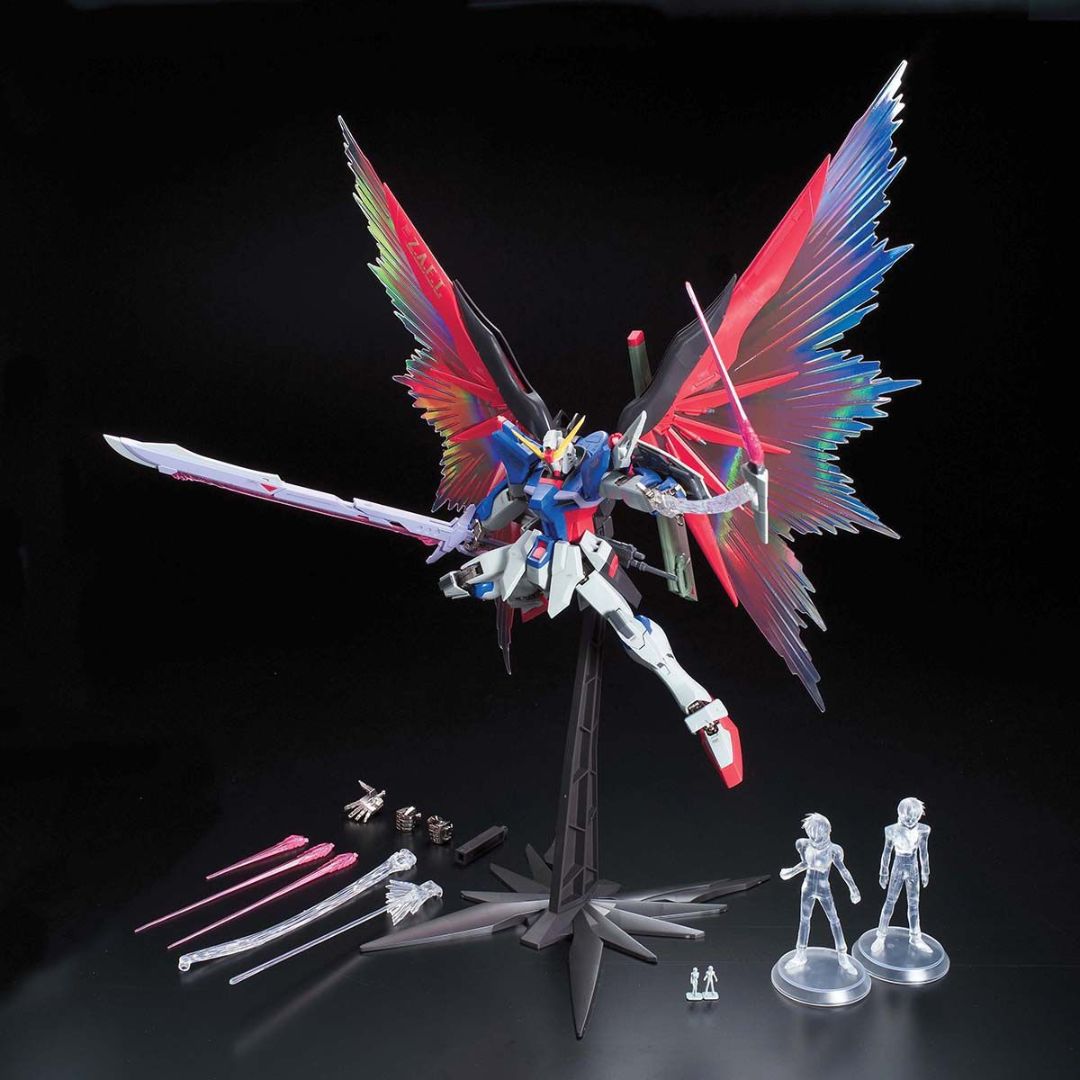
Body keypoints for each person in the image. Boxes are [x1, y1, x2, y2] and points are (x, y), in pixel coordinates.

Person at [780, 812, 861, 974]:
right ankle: (800, 954)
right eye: (811, 834)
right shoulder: (804, 844)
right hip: (808, 887)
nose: (814, 838)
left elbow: (843, 870)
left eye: (817, 835)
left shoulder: (833, 850)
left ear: (826, 832)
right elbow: (806, 863)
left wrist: (853, 889)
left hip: (824, 889)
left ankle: (842, 956)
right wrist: (791, 871)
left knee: (834, 920)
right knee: (804, 920)